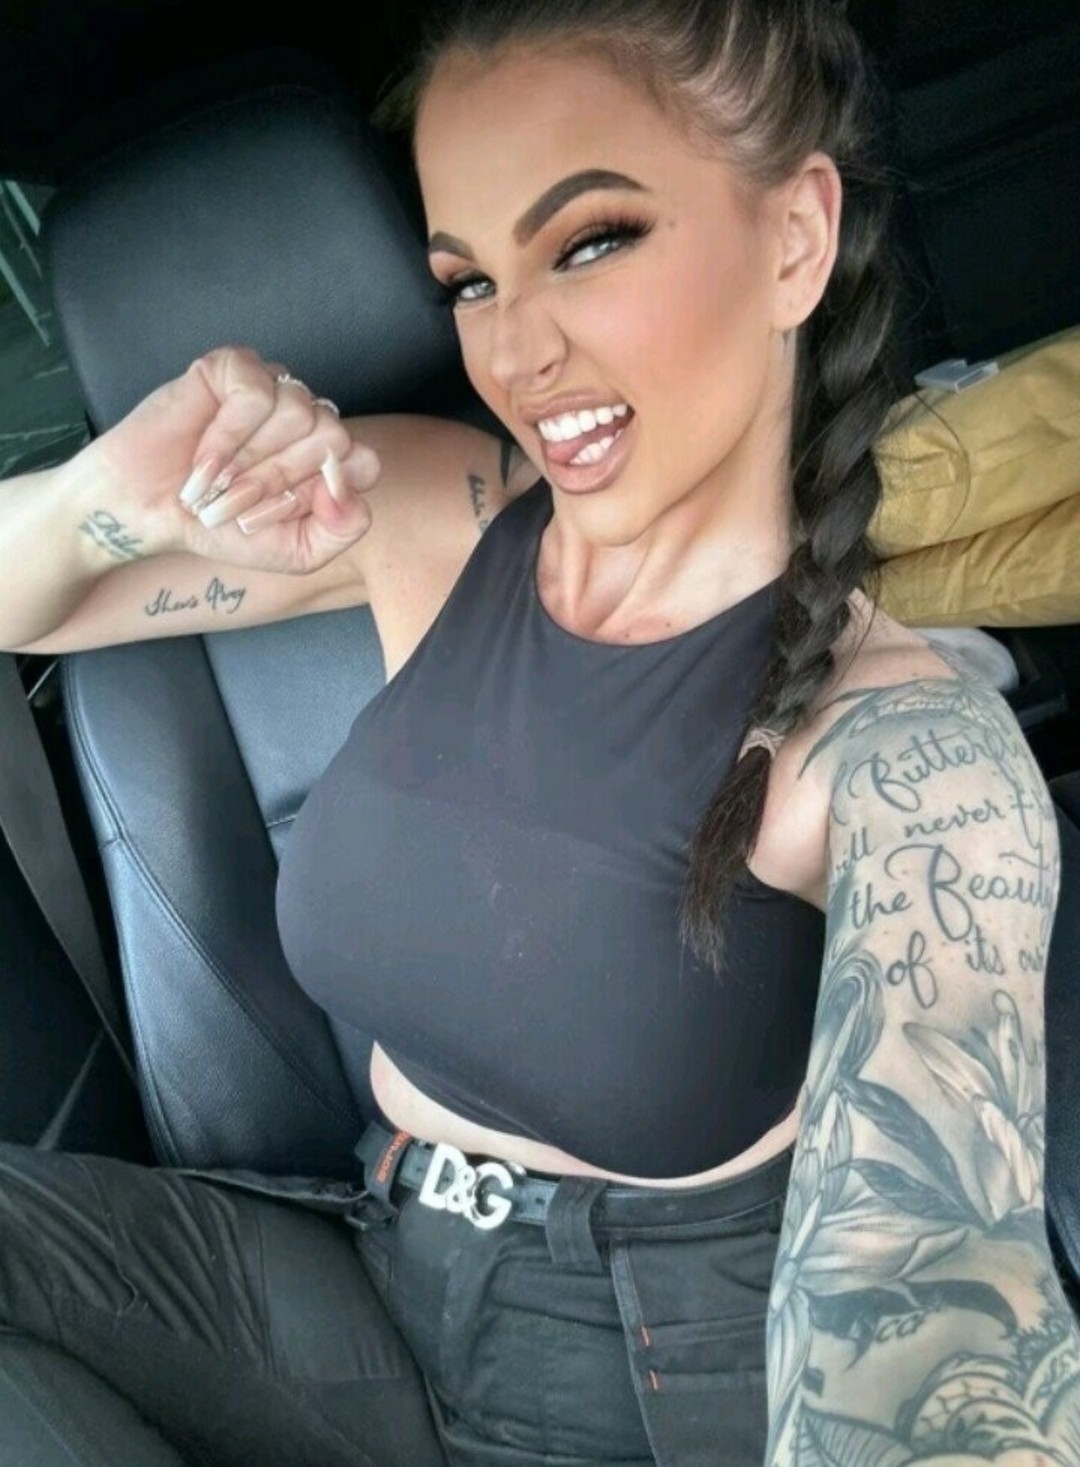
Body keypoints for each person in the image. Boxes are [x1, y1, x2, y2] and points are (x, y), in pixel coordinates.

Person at [0, 1, 1071, 1464]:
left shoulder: (904, 749)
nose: (517, 348)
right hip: (381, 1258)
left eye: (592, 242)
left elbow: (937, 1311)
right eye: (469, 280)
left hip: (663, 1370)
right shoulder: (432, 514)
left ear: (793, 239)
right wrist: (102, 496)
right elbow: (31, 606)